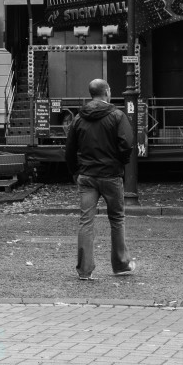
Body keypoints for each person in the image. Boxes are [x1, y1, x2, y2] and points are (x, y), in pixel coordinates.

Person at [64, 78, 136, 281]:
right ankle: (121, 264)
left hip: (87, 176)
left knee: (86, 221)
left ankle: (85, 270)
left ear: (91, 93)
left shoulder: (79, 118)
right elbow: (127, 143)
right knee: (117, 219)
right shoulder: (117, 115)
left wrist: (75, 171)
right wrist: (120, 163)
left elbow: (69, 149)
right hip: (111, 175)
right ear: (107, 92)